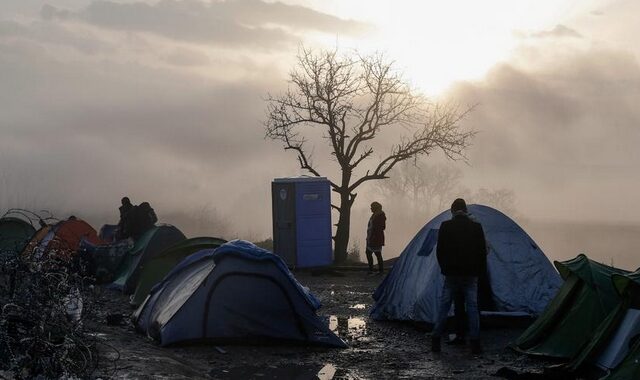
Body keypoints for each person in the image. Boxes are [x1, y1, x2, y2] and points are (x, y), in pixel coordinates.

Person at [431, 198, 487, 354]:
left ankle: (436, 339)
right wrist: (479, 271)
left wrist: (445, 268)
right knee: (472, 307)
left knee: (444, 306)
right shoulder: (476, 227)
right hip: (470, 275)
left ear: (453, 211)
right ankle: (475, 342)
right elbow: (482, 252)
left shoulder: (445, 226)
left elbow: (440, 251)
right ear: (466, 211)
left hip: (451, 274)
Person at [366, 201, 386, 275]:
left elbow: (380, 227)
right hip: (371, 237)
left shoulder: (379, 216)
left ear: (375, 208)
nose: (371, 209)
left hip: (375, 238)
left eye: (372, 207)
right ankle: (377, 270)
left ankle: (375, 270)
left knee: (375, 253)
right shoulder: (375, 215)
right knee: (374, 253)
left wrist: (373, 236)